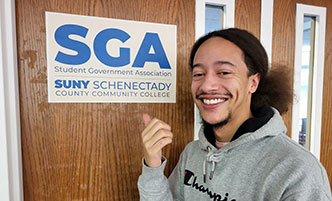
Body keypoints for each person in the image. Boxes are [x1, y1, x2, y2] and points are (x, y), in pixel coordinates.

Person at [137, 28, 332, 201]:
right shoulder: (192, 153)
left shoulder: (297, 169)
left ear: (253, 83)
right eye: (198, 74)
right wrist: (152, 166)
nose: (207, 85)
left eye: (224, 72)